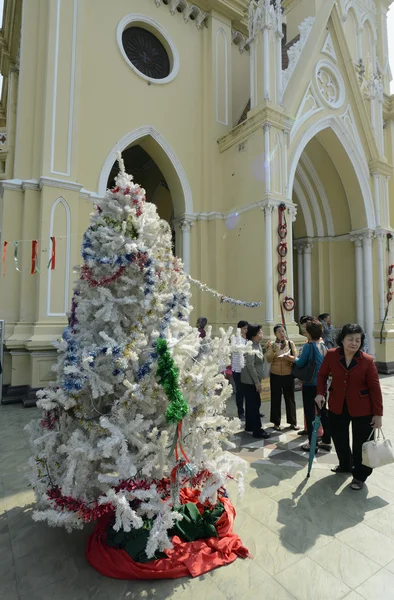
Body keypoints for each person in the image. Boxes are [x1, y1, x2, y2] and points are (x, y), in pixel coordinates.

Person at [315, 323, 383, 490]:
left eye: (357, 340)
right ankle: (345, 465)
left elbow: (375, 388)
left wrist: (378, 414)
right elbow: (322, 375)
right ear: (342, 339)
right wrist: (320, 393)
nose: (354, 343)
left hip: (363, 408)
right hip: (337, 405)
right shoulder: (331, 355)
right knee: (339, 439)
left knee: (362, 444)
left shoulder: (367, 360)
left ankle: (360, 475)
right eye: (350, 339)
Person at [285, 318, 331, 452]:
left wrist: (293, 358)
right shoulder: (324, 347)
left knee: (310, 413)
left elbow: (300, 363)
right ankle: (327, 440)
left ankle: (312, 444)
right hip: (322, 385)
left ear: (309, 334)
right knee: (323, 411)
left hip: (310, 384)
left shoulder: (308, 346)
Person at [265, 324, 299, 431]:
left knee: (290, 399)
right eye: (279, 332)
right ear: (275, 334)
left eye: (283, 331)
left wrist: (289, 357)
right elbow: (269, 359)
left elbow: (295, 358)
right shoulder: (271, 344)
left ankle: (293, 422)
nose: (282, 333)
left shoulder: (290, 343)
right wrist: (274, 350)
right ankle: (276, 422)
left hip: (288, 375)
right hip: (275, 375)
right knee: (276, 398)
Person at [241, 324, 270, 439]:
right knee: (254, 404)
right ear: (253, 335)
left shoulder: (256, 345)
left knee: (250, 404)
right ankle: (257, 430)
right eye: (260, 333)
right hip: (250, 381)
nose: (261, 335)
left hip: (252, 380)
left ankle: (249, 426)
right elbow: (250, 365)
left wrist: (265, 348)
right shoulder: (250, 347)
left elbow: (257, 358)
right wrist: (256, 382)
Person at [231, 320, 248, 420]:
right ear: (239, 329)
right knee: (240, 392)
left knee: (249, 392)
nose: (246, 330)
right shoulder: (235, 339)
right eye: (244, 328)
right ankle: (240, 412)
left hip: (247, 369)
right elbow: (235, 350)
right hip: (238, 369)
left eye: (246, 328)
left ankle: (252, 411)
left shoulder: (249, 339)